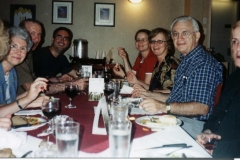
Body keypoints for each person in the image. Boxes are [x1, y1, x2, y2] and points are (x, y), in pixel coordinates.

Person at [139, 16, 223, 138]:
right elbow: (176, 98)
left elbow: (201, 107)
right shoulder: (186, 60)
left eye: (185, 33)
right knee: (138, 121)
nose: (179, 38)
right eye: (175, 34)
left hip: (196, 126)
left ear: (197, 36)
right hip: (179, 118)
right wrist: (149, 94)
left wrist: (163, 107)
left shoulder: (203, 63)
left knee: (144, 133)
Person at [196, 21, 240, 158]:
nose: (238, 47)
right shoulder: (234, 77)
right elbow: (218, 113)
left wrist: (220, 150)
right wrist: (208, 132)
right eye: (235, 41)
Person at [17, 19, 86, 95]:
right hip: (20, 102)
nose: (37, 39)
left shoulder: (61, 58)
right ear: (52, 39)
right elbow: (31, 87)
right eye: (32, 34)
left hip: (30, 100)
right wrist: (71, 85)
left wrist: (59, 79)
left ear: (69, 43)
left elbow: (36, 80)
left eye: (39, 35)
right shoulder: (23, 56)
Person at [0, 26, 48, 130]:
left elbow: (8, 102)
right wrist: (27, 100)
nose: (18, 52)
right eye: (13, 46)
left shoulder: (12, 72)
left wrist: (30, 93)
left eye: (23, 48)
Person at [129, 28, 180, 99]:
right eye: (152, 41)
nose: (155, 45)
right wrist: (141, 89)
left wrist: (147, 93)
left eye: (160, 41)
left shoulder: (171, 63)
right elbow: (152, 88)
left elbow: (173, 92)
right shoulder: (158, 63)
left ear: (168, 44)